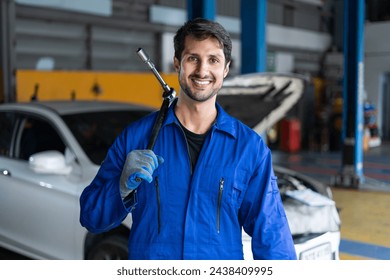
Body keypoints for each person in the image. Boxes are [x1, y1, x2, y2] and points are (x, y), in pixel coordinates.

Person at [79, 18, 297, 260]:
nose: (202, 70)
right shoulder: (137, 138)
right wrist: (120, 187)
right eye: (193, 58)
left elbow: (273, 235)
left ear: (225, 69)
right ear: (177, 64)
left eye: (213, 60)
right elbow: (91, 217)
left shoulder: (249, 148)